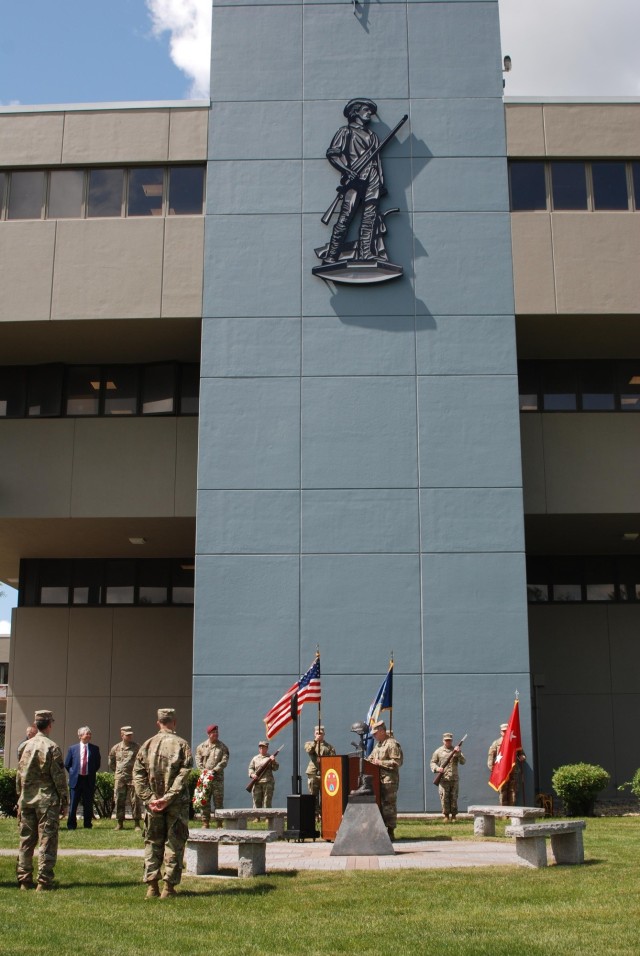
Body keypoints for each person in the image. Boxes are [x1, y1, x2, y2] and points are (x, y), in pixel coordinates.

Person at [133, 707, 193, 899]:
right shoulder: (182, 745)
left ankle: (152, 887)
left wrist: (150, 799)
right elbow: (184, 775)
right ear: (174, 722)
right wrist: (168, 798)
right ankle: (169, 888)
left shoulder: (147, 745)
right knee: (174, 843)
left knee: (152, 842)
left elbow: (138, 775)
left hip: (153, 805)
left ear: (158, 722)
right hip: (175, 804)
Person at [323, 98, 386, 263]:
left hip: (372, 178)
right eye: (366, 110)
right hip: (355, 178)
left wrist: (380, 181)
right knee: (345, 217)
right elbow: (333, 154)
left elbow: (377, 161)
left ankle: (366, 254)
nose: (369, 113)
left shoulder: (373, 136)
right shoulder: (345, 131)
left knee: (369, 218)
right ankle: (332, 256)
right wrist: (346, 171)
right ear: (355, 111)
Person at [16, 709, 69, 891]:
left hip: (27, 799)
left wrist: (19, 797)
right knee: (47, 840)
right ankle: (44, 881)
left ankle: (24, 880)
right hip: (46, 801)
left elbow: (19, 775)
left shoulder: (25, 746)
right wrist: (65, 801)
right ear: (49, 725)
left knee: (26, 841)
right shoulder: (51, 747)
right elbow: (59, 778)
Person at [366, 720, 403, 840]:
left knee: (389, 805)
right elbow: (371, 758)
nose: (374, 736)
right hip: (378, 779)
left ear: (382, 731)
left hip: (389, 780)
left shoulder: (392, 744)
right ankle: (381, 830)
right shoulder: (379, 744)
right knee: (380, 804)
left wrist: (380, 762)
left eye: (375, 733)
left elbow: (397, 762)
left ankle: (390, 831)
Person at [65, 726, 101, 830]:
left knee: (88, 804)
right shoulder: (72, 748)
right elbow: (67, 764)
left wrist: (90, 772)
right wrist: (73, 773)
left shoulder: (95, 748)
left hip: (88, 780)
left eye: (90, 733)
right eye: (87, 733)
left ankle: (87, 824)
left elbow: (97, 764)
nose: (89, 735)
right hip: (76, 780)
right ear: (80, 736)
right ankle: (71, 825)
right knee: (73, 804)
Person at [195, 723, 229, 828]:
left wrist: (214, 771)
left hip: (217, 778)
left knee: (218, 802)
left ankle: (219, 823)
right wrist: (203, 771)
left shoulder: (222, 747)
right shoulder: (201, 747)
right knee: (204, 801)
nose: (216, 734)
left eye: (217, 732)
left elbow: (224, 761)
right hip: (205, 778)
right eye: (213, 732)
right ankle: (205, 822)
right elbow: (198, 760)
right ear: (208, 734)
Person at [108, 725, 142, 830]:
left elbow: (142, 761)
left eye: (130, 734)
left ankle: (137, 823)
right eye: (127, 735)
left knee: (135, 800)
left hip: (132, 777)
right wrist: (118, 772)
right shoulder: (116, 748)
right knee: (119, 800)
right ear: (122, 735)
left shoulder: (137, 747)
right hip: (120, 778)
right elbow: (111, 762)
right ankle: (119, 823)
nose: (130, 736)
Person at [488, 723, 526, 806]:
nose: (505, 733)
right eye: (503, 731)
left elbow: (521, 753)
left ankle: (512, 812)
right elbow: (491, 756)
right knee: (503, 791)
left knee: (513, 791)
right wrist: (492, 768)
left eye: (506, 731)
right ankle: (504, 813)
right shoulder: (496, 743)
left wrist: (522, 756)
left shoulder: (514, 741)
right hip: (501, 771)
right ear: (500, 732)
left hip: (513, 770)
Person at [430, 733, 465, 822]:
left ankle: (454, 816)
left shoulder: (456, 750)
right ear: (443, 741)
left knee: (454, 797)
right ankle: (446, 816)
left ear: (452, 741)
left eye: (449, 740)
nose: (448, 742)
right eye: (446, 740)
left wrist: (458, 753)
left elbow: (463, 762)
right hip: (443, 779)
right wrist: (437, 768)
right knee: (444, 797)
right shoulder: (438, 751)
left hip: (454, 778)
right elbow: (432, 762)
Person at [304, 725, 336, 814]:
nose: (319, 735)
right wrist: (315, 741)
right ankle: (314, 814)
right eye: (317, 733)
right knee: (313, 795)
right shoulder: (309, 744)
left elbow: (333, 760)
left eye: (321, 733)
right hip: (313, 772)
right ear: (314, 734)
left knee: (325, 795)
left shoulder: (329, 747)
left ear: (324, 734)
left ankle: (324, 813)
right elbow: (309, 750)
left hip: (325, 773)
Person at [248, 740, 280, 809]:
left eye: (264, 747)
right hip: (257, 782)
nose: (262, 749)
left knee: (267, 801)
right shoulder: (255, 758)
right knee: (256, 800)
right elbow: (250, 768)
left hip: (267, 782)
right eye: (260, 747)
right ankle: (257, 817)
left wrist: (273, 761)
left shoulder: (270, 757)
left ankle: (268, 818)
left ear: (267, 748)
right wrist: (252, 774)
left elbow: (275, 768)